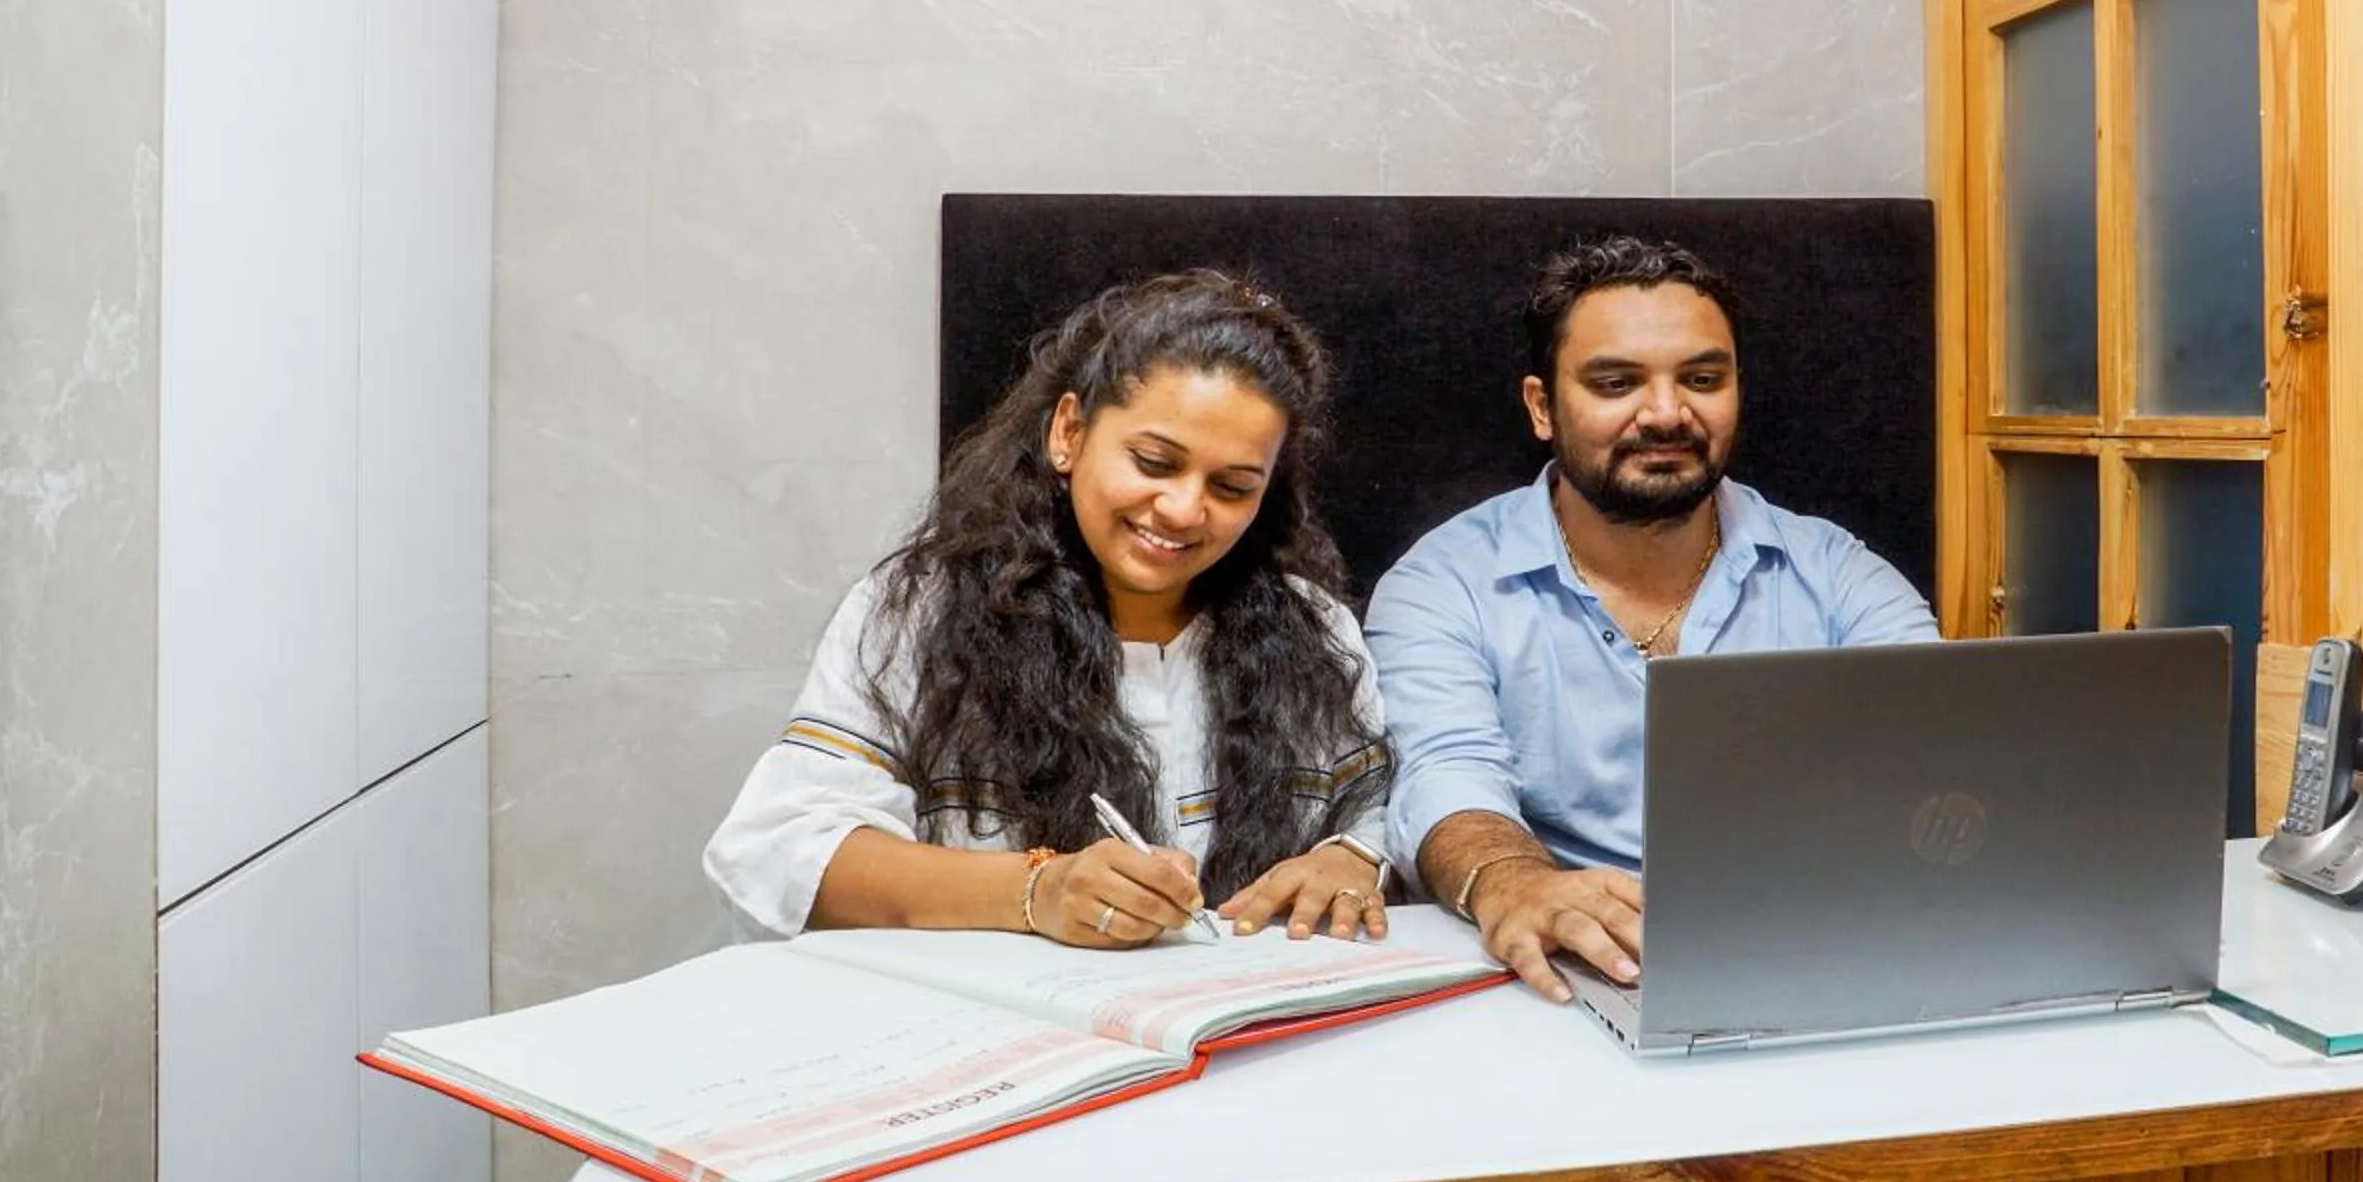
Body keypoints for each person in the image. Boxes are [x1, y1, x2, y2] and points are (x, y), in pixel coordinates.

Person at [706, 271, 1394, 949]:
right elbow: (784, 851)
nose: (1185, 509)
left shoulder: (1315, 632)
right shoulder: (922, 611)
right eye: (1154, 463)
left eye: (1233, 486)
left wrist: (1354, 860)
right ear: (1068, 432)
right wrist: (1039, 890)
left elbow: (1389, 812)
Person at [1368, 235, 1938, 1000]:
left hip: (1815, 951)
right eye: (1615, 383)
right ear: (1543, 406)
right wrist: (1511, 883)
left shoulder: (1837, 573)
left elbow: (1935, 751)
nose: (1666, 413)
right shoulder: (1443, 582)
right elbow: (1446, 773)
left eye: (1702, 379)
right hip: (1562, 971)